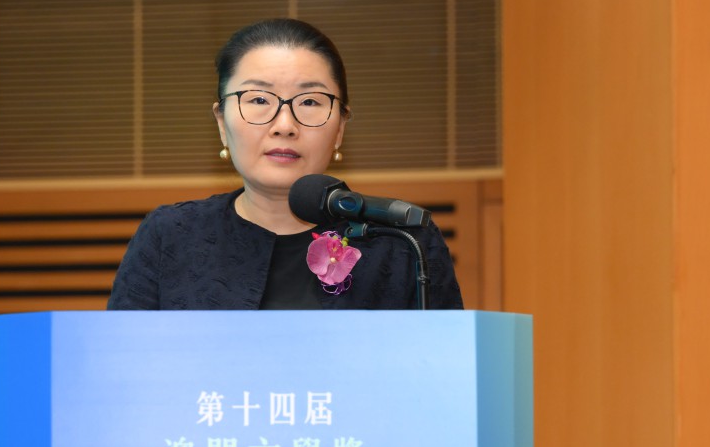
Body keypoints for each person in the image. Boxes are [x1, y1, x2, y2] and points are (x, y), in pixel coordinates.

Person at [107, 18, 463, 310]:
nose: (284, 125)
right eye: (258, 99)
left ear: (340, 127)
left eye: (309, 102)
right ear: (221, 123)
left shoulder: (403, 242)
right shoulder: (169, 236)